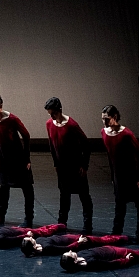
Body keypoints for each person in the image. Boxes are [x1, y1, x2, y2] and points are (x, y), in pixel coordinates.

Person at [43, 97, 93, 234]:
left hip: (75, 167)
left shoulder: (71, 125)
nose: (52, 117)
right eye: (50, 114)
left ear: (59, 110)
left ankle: (88, 225)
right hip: (63, 168)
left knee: (84, 195)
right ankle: (62, 223)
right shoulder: (49, 124)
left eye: (53, 113)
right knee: (64, 196)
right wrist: (56, 163)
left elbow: (86, 145)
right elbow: (51, 145)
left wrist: (84, 165)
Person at [101, 104, 139, 241]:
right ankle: (116, 232)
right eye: (103, 119)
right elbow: (110, 156)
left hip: (131, 174)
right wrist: (112, 176)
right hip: (118, 175)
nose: (104, 122)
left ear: (115, 117)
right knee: (119, 204)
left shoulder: (126, 134)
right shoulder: (104, 132)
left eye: (107, 119)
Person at [0, 95, 35, 227]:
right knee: (4, 188)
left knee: (27, 188)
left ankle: (28, 218)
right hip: (5, 160)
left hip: (18, 158)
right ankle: (0, 216)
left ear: (0, 106)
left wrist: (27, 158)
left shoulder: (12, 119)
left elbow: (26, 136)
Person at [59, 244, 139, 272]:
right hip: (116, 254)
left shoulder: (80, 255)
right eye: (70, 254)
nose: (70, 251)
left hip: (109, 249)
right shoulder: (90, 263)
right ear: (74, 260)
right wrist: (125, 260)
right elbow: (111, 264)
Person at [19, 231, 130, 257]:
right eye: (30, 240)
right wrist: (78, 242)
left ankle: (121, 238)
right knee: (100, 240)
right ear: (32, 245)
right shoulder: (47, 248)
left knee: (98, 240)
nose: (31, 238)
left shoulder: (39, 241)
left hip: (66, 237)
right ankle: (123, 239)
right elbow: (65, 248)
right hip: (72, 241)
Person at [0, 223, 69, 250]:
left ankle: (57, 226)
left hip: (15, 229)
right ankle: (58, 227)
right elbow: (14, 239)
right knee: (42, 231)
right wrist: (26, 235)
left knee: (40, 230)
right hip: (19, 233)